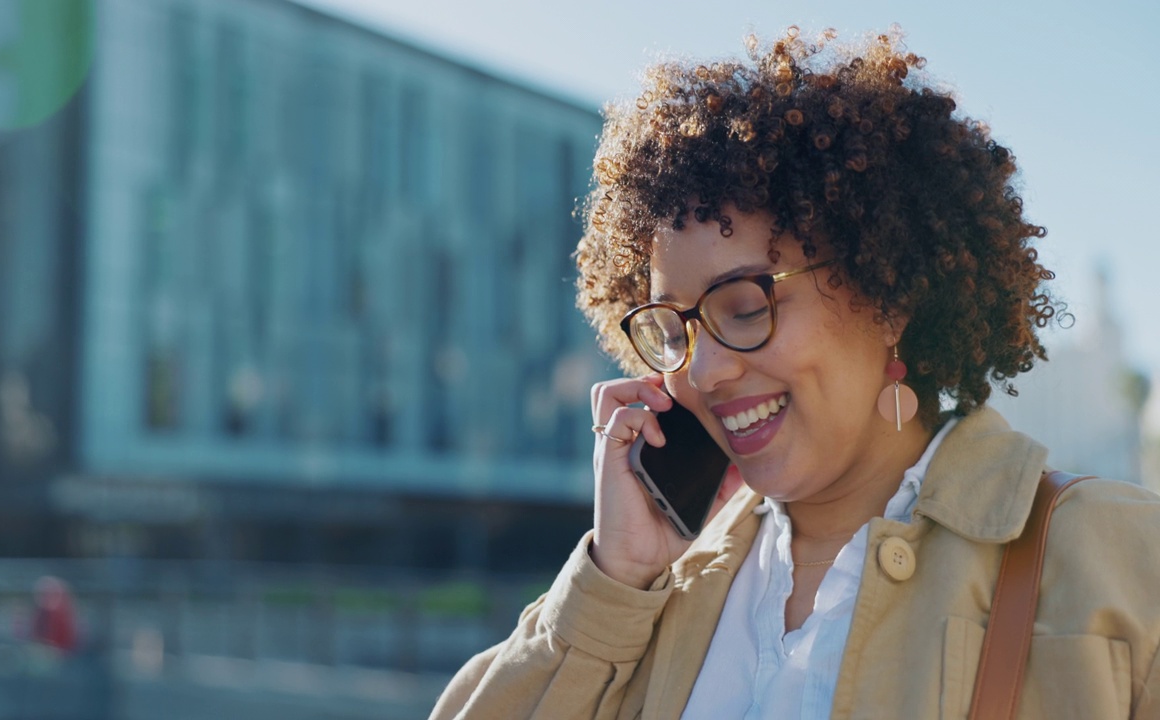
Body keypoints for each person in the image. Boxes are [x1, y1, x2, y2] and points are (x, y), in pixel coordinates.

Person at [431, 27, 1160, 719]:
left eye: (745, 307)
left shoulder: (1118, 559)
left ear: (889, 295)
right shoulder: (652, 594)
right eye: (673, 329)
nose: (704, 372)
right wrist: (615, 578)